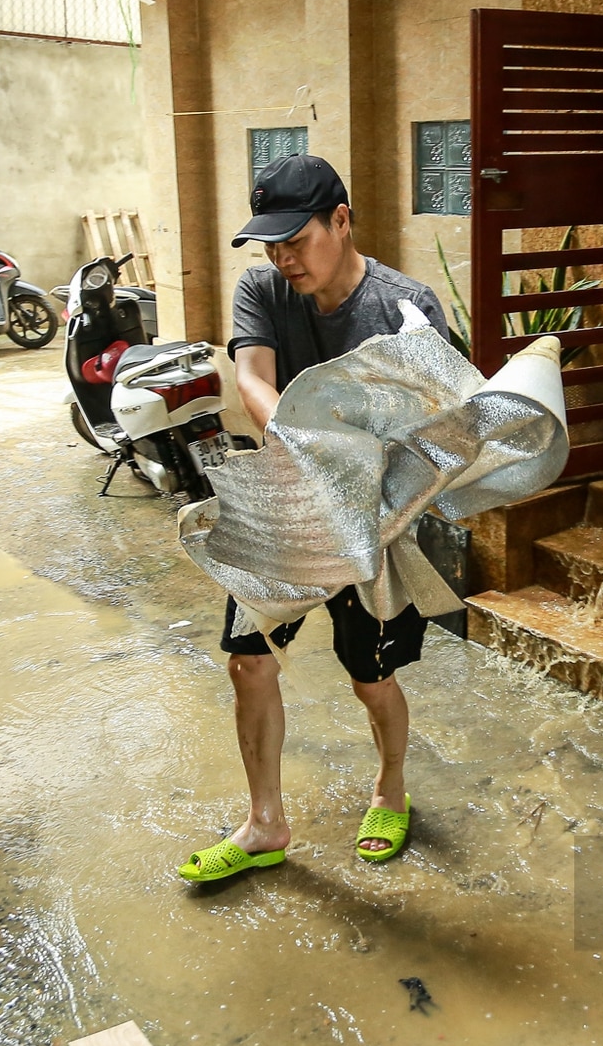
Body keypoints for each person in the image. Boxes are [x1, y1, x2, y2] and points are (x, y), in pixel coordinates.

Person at [177, 153, 452, 883]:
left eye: (296, 239)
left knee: (369, 675)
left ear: (342, 219)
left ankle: (390, 787)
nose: (283, 257)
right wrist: (308, 442)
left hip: (375, 520)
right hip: (285, 502)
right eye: (272, 243)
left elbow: (441, 426)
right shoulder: (263, 287)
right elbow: (251, 379)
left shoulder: (404, 307)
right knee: (249, 659)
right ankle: (265, 822)